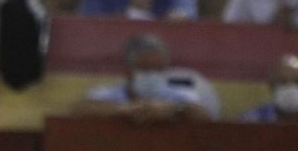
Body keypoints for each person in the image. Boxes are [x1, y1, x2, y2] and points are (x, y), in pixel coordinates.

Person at [71, 32, 215, 121]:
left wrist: (175, 109)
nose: (151, 75)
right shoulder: (107, 94)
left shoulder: (180, 94)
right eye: (144, 69)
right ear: (127, 70)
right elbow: (79, 110)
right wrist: (126, 110)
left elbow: (205, 116)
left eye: (157, 69)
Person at [240, 53, 298, 121]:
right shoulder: (251, 119)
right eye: (283, 82)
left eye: (296, 82)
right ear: (271, 85)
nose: (291, 89)